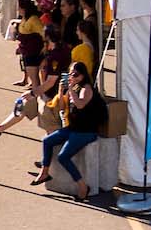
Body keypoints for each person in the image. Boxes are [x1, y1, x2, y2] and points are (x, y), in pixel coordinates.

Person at [32, 62, 104, 200]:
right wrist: (61, 91)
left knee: (63, 156)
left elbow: (81, 105)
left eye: (75, 74)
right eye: (70, 73)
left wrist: (70, 89)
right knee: (47, 141)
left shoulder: (86, 88)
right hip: (73, 128)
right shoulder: (75, 87)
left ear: (83, 75)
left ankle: (82, 186)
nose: (72, 77)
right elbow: (61, 107)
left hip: (86, 131)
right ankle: (45, 172)